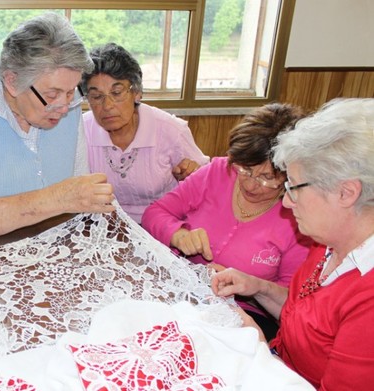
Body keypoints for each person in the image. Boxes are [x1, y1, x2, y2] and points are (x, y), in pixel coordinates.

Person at [212, 98, 374, 389]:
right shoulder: (328, 242)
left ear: (346, 193)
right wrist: (259, 287)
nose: (286, 202)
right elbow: (310, 322)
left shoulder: (368, 300)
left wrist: (259, 353)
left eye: (295, 187)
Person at [0, 13, 115, 242]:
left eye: (71, 91)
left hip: (49, 249)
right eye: (52, 95)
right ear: (12, 81)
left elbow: (79, 191)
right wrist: (57, 199)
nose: (64, 107)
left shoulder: (68, 103)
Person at [142, 103, 313, 340]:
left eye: (266, 178)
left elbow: (288, 303)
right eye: (245, 170)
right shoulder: (218, 172)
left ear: (291, 174)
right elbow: (155, 213)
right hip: (182, 291)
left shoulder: (300, 215)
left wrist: (248, 285)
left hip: (248, 313)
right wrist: (178, 235)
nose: (251, 185)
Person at [80, 43, 209, 223]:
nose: (107, 106)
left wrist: (192, 175)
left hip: (162, 227)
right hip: (103, 227)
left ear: (137, 93)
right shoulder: (82, 131)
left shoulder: (170, 130)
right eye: (96, 96)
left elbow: (208, 185)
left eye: (116, 93)